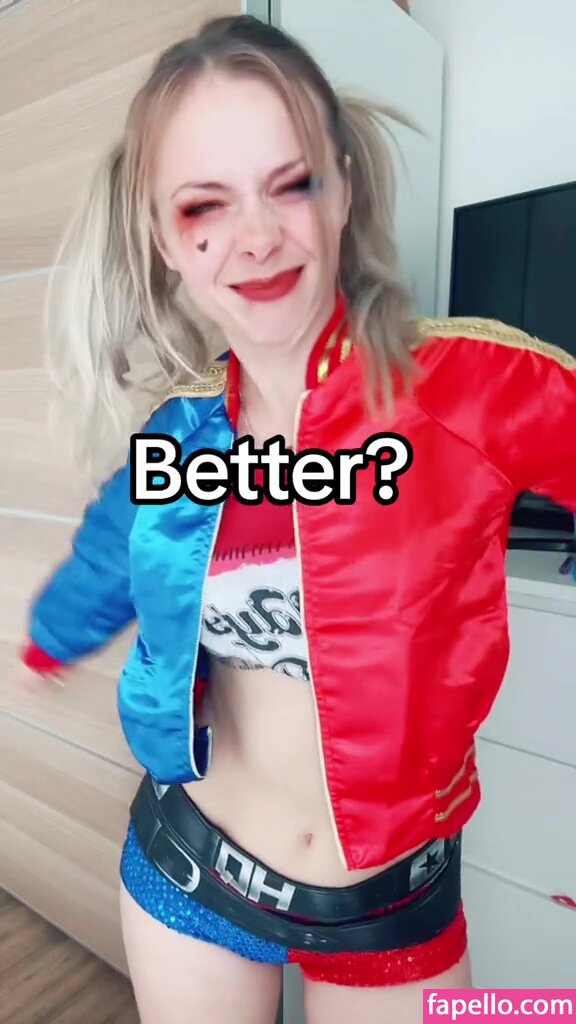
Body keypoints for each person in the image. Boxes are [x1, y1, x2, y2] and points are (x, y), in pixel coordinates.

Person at [19, 13, 576, 1024]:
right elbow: (109, 556)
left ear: (342, 190)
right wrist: (47, 642)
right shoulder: (180, 433)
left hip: (390, 905)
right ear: (166, 240)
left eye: (292, 184)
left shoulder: (475, 387)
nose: (256, 236)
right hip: (192, 867)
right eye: (205, 203)